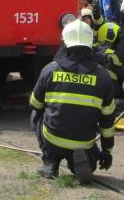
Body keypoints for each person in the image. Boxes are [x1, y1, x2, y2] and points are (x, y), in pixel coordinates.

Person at [29, 19, 115, 183]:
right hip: (84, 140)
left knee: (37, 112)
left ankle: (50, 161)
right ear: (90, 43)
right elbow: (107, 120)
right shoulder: (103, 76)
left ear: (65, 42)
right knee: (92, 134)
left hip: (52, 138)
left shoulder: (50, 69)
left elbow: (35, 104)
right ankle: (85, 161)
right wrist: (107, 151)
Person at [94, 22, 124, 100]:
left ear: (111, 36)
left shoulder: (123, 43)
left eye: (106, 42)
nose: (107, 44)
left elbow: (118, 61)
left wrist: (104, 54)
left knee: (109, 68)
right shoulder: (123, 41)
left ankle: (116, 95)